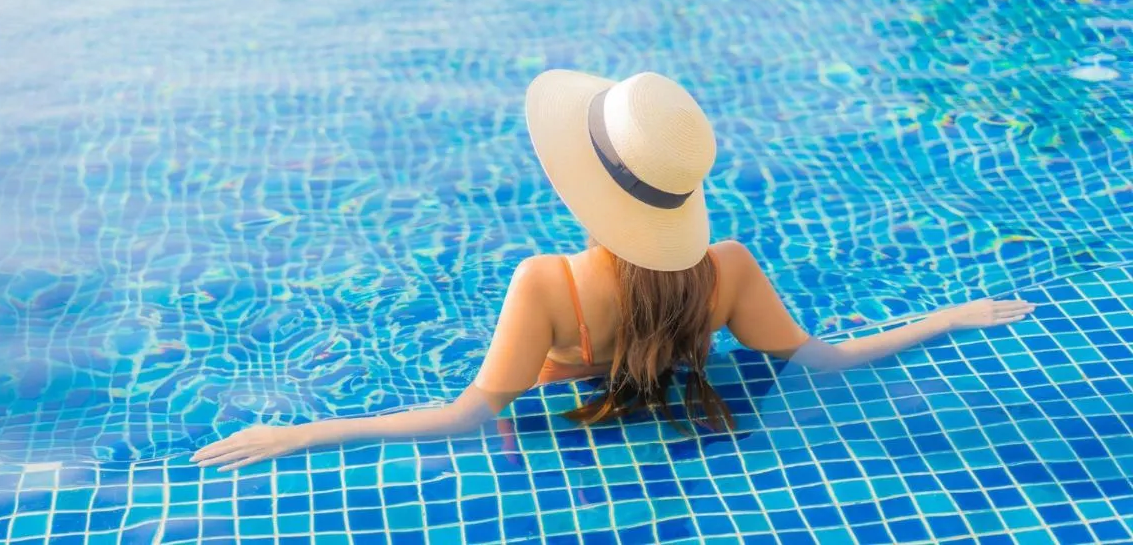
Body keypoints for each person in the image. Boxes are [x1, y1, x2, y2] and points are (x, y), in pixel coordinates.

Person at [193, 70, 1034, 471]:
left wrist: (300, 433)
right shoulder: (728, 270)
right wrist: (946, 318)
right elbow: (821, 358)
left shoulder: (545, 284)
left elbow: (463, 420)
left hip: (569, 440)